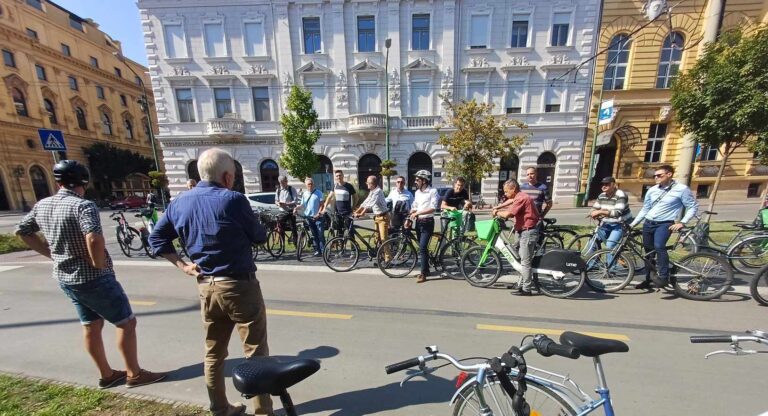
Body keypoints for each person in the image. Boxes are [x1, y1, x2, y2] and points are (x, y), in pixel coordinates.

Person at [15, 160, 166, 390]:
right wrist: (98, 263)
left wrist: (50, 254)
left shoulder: (42, 205)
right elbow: (93, 237)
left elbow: (22, 231)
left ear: (58, 182)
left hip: (65, 277)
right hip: (93, 278)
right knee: (126, 323)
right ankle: (134, 373)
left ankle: (106, 374)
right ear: (84, 182)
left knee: (91, 325)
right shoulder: (83, 206)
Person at [148, 148, 272, 416]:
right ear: (227, 176)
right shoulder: (233, 200)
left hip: (206, 285)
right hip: (239, 286)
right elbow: (259, 236)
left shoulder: (179, 203)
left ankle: (220, 408)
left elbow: (156, 240)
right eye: (235, 175)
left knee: (214, 353)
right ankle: (263, 412)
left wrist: (182, 265)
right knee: (256, 352)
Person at [629, 164, 698, 290]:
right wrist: (633, 224)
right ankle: (649, 279)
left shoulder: (681, 189)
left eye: (659, 175)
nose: (656, 178)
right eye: (654, 176)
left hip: (665, 223)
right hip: (648, 223)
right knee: (648, 253)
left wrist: (682, 222)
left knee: (659, 247)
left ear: (669, 174)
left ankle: (664, 277)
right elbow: (645, 209)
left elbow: (692, 207)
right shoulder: (652, 190)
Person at [492, 179, 541, 296]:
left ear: (513, 189)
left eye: (506, 191)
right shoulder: (519, 196)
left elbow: (509, 214)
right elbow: (510, 201)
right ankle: (522, 283)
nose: (505, 193)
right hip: (522, 231)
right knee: (518, 257)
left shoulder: (522, 198)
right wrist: (498, 207)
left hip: (527, 232)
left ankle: (527, 289)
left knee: (525, 262)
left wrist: (496, 213)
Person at [409, 170, 440, 283]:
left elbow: (433, 208)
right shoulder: (417, 192)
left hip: (428, 222)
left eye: (417, 180)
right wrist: (411, 212)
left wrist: (417, 213)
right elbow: (415, 206)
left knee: (422, 247)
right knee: (422, 248)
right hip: (419, 222)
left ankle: (423, 274)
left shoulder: (432, 191)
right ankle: (426, 269)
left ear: (424, 180)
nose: (415, 181)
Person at [589, 177, 632, 251]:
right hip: (607, 223)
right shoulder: (602, 195)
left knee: (610, 245)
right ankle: (593, 262)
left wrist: (600, 212)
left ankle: (612, 262)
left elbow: (617, 213)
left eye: (607, 184)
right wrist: (593, 212)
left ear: (614, 185)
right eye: (602, 184)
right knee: (593, 242)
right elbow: (594, 208)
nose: (604, 186)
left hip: (621, 224)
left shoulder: (620, 195)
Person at [354, 176, 390, 258]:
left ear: (372, 184)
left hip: (383, 217)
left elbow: (371, 203)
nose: (366, 184)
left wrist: (362, 213)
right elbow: (366, 201)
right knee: (377, 239)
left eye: (368, 183)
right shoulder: (372, 191)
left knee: (384, 239)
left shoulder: (378, 191)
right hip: (377, 217)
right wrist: (356, 211)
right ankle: (380, 257)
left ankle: (388, 259)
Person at [294, 177, 325, 256]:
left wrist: (318, 214)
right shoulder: (305, 194)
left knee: (320, 234)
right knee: (314, 234)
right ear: (305, 185)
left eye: (311, 184)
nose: (310, 185)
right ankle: (317, 250)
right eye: (308, 184)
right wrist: (296, 208)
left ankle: (323, 250)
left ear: (313, 184)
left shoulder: (319, 193)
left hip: (318, 217)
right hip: (309, 217)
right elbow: (303, 205)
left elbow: (322, 205)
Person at [275, 175, 298, 243]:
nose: (283, 184)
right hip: (282, 211)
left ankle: (296, 244)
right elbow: (276, 200)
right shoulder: (278, 190)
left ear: (286, 181)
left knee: (293, 228)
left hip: (290, 211)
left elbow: (295, 201)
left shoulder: (291, 189)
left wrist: (286, 204)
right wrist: (278, 204)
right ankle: (282, 247)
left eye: (284, 182)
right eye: (281, 182)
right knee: (281, 228)